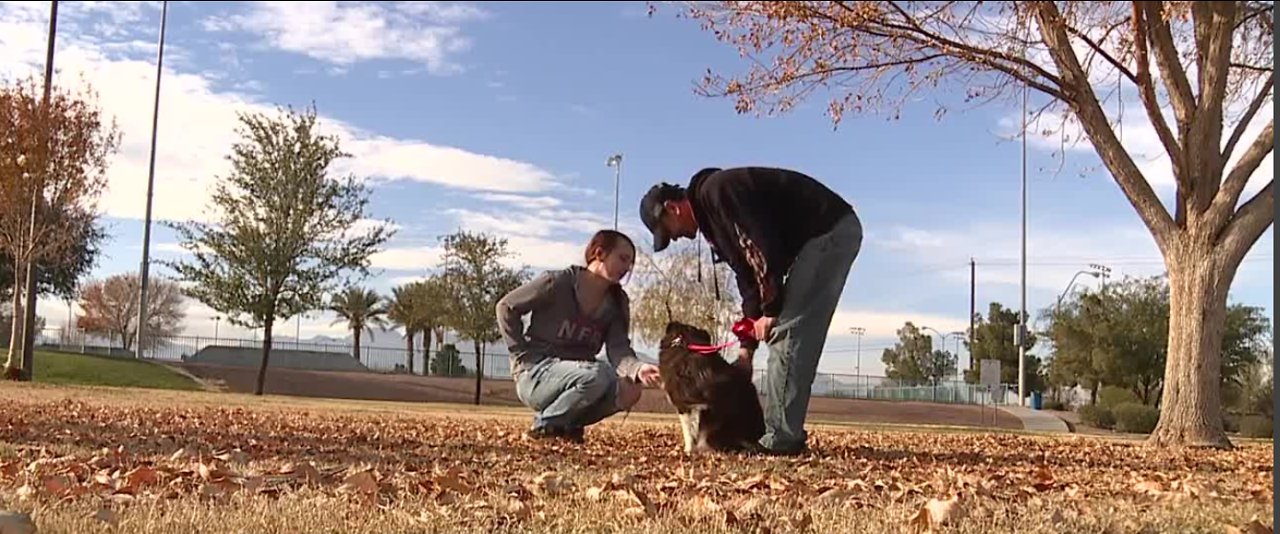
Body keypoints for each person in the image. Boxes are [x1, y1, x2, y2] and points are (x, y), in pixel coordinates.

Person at [638, 167, 862, 455]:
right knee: (784, 329)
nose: (676, 238)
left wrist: (770, 311)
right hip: (820, 236)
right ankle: (780, 433)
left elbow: (762, 249)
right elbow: (747, 279)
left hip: (828, 231)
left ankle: (781, 440)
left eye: (668, 230)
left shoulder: (718, 193)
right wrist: (746, 350)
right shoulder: (714, 219)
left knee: (787, 331)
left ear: (673, 208)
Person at [496, 229, 662, 444]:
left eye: (630, 263)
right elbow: (506, 307)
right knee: (597, 374)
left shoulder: (617, 303)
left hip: (583, 375)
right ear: (599, 253)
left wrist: (638, 369)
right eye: (622, 259)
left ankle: (568, 424)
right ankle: (543, 426)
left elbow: (618, 349)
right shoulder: (557, 282)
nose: (627, 268)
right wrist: (519, 353)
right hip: (536, 371)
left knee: (630, 389)